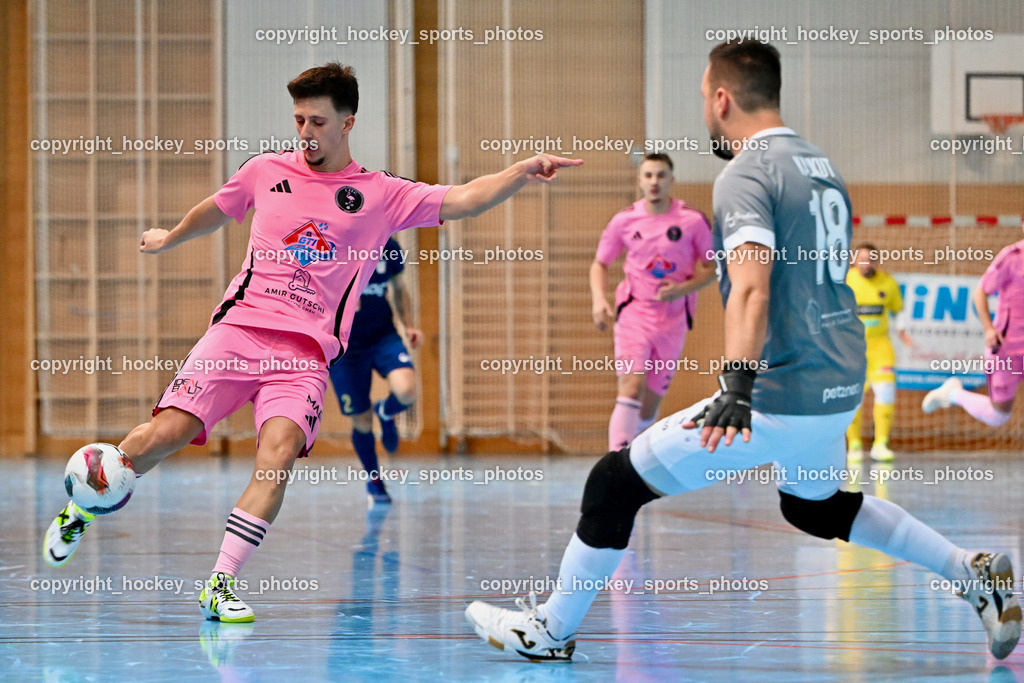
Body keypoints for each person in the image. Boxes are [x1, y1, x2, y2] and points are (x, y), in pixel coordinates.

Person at [465, 40, 1020, 662]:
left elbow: (751, 286)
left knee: (612, 486)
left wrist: (736, 385)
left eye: (704, 96)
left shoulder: (746, 174)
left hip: (782, 391)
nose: (705, 108)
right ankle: (972, 573)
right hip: (838, 384)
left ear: (722, 98)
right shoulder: (818, 164)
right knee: (817, 507)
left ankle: (552, 630)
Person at [43, 62, 582, 623]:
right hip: (239, 330)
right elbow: (217, 210)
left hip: (303, 356)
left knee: (275, 460)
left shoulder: (381, 194)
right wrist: (170, 237)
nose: (305, 132)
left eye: (318, 121)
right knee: (167, 432)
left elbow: (464, 198)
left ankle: (220, 583)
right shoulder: (265, 170)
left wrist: (519, 171)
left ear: (348, 123)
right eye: (299, 119)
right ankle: (88, 501)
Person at [591, 153, 716, 451]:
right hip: (635, 313)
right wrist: (599, 300)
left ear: (672, 180)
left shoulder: (692, 221)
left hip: (673, 319)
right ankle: (616, 464)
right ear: (640, 181)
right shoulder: (624, 221)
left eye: (661, 175)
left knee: (648, 406)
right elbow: (600, 263)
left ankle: (640, 457)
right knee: (630, 388)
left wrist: (681, 289)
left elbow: (714, 269)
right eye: (648, 175)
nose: (654, 181)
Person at [329, 236, 420, 505]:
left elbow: (399, 289)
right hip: (344, 347)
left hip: (383, 335)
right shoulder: (331, 247)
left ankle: (387, 411)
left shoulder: (388, 246)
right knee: (362, 421)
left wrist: (409, 325)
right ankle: (375, 481)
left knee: (407, 390)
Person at [923, 225, 1024, 425]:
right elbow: (980, 292)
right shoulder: (1012, 257)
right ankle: (954, 394)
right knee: (998, 416)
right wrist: (989, 329)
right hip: (1007, 348)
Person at [845, 244, 913, 462]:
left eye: (870, 259)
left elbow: (897, 309)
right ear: (854, 260)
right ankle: (854, 445)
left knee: (886, 391)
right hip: (853, 348)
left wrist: (902, 330)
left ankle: (881, 443)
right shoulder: (845, 281)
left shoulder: (887, 282)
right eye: (862, 259)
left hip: (880, 348)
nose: (866, 263)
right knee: (852, 397)